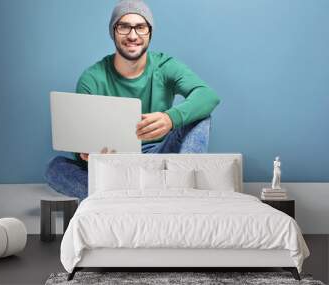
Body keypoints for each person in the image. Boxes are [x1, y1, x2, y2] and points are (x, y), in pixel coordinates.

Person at [45, 0, 220, 200]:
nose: (133, 35)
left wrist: (170, 119)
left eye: (140, 27)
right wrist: (87, 154)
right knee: (55, 168)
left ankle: (181, 195)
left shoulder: (165, 66)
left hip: (160, 159)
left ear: (149, 33)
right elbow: (82, 145)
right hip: (114, 167)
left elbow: (208, 95)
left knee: (201, 118)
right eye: (124, 27)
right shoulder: (91, 78)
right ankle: (144, 198)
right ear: (113, 32)